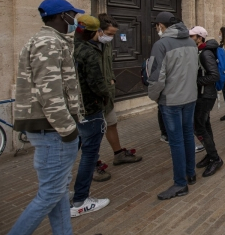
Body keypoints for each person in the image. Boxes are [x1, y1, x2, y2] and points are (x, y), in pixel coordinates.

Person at [9, 0, 85, 235]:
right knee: (50, 194)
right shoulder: (49, 43)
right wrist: (69, 129)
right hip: (53, 131)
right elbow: (49, 91)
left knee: (58, 191)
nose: (76, 20)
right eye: (73, 15)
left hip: (51, 129)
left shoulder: (50, 41)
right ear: (63, 16)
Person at [148, 12, 198, 200]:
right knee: (187, 136)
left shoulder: (161, 45)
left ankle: (180, 183)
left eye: (157, 26)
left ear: (161, 26)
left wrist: (154, 96)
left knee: (176, 140)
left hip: (171, 100)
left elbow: (156, 76)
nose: (157, 29)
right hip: (189, 97)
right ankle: (190, 174)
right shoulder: (191, 42)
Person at [71, 15, 112, 217]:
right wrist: (106, 95)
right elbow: (96, 83)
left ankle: (62, 194)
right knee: (89, 154)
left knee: (71, 152)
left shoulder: (68, 47)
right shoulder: (88, 51)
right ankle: (80, 199)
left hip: (73, 109)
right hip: (90, 108)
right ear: (94, 32)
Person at [97, 13, 142, 173]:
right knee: (93, 131)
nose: (111, 38)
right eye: (109, 34)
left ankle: (118, 154)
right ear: (98, 31)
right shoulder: (87, 46)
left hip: (107, 93)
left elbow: (108, 64)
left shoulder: (106, 45)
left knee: (112, 123)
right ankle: (93, 164)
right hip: (93, 95)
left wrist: (112, 80)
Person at [190, 26, 224, 176]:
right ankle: (211, 155)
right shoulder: (200, 51)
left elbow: (214, 75)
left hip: (206, 96)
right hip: (203, 95)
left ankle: (215, 158)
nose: (190, 38)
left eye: (192, 36)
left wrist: (195, 81)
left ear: (199, 38)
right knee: (205, 125)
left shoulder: (205, 54)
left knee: (198, 127)